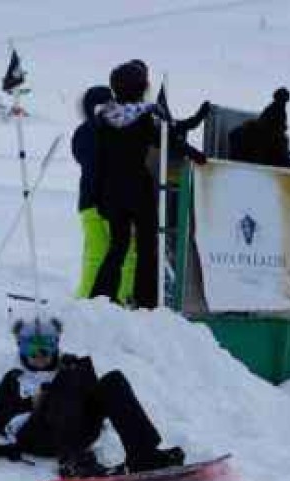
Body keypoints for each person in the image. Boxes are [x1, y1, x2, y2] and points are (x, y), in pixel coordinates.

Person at [0, 316, 184, 478]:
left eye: (47, 348)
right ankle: (72, 463)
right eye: (32, 348)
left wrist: (76, 376)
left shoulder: (66, 367)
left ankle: (143, 454)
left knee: (112, 379)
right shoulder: (14, 378)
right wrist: (30, 404)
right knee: (68, 379)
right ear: (21, 349)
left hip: (78, 429)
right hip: (38, 436)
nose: (40, 355)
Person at [91, 60, 205, 309]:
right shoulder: (143, 117)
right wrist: (194, 153)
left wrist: (98, 196)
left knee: (117, 247)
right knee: (147, 247)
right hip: (137, 189)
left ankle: (100, 297)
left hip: (111, 191)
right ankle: (146, 303)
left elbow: (98, 161)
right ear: (139, 88)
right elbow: (166, 140)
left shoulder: (104, 119)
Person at [72, 85, 136, 301]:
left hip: (88, 202)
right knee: (125, 255)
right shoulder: (112, 130)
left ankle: (85, 303)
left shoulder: (82, 133)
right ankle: (124, 300)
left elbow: (83, 158)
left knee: (95, 256)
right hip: (111, 203)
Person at [228, 87, 290, 169]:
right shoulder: (274, 109)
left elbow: (275, 124)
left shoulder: (277, 109)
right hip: (265, 136)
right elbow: (269, 124)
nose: (285, 100)